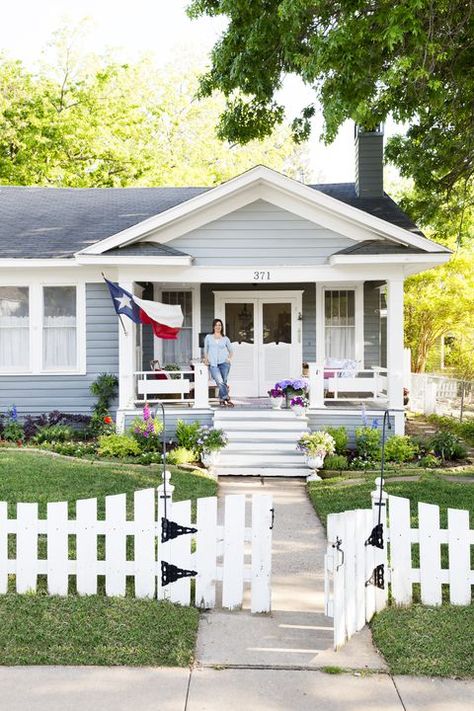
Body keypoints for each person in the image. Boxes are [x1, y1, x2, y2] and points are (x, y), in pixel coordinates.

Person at [203, 318, 234, 407]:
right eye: (216, 325)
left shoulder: (225, 338)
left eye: (220, 325)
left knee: (223, 381)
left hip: (224, 363)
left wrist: (228, 358)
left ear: (222, 327)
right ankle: (226, 397)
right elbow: (205, 350)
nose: (218, 326)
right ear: (213, 326)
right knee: (220, 381)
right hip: (213, 364)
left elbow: (231, 351)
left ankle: (221, 400)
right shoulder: (208, 337)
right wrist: (206, 359)